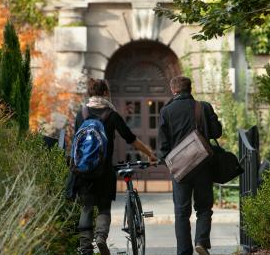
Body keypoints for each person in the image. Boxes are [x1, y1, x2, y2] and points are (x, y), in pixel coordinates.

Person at [74, 78, 157, 255]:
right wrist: (149, 153)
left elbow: (76, 142)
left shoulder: (81, 113)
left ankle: (85, 247)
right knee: (104, 207)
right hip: (104, 171)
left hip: (82, 170)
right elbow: (130, 138)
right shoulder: (111, 114)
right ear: (105, 93)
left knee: (86, 206)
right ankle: (101, 237)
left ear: (90, 93)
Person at [157, 76, 222, 255]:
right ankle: (201, 241)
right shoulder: (204, 107)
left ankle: (184, 252)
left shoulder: (166, 111)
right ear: (190, 89)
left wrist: (169, 163)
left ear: (173, 90)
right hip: (203, 165)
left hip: (180, 169)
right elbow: (217, 132)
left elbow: (162, 147)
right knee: (204, 207)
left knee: (181, 212)